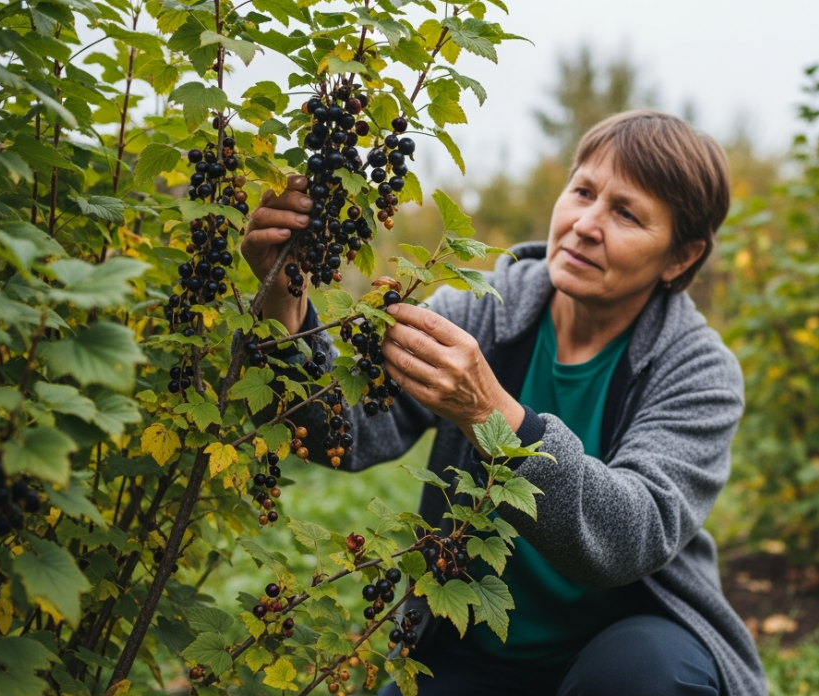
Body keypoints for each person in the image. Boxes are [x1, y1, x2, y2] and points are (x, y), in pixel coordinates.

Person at [241, 110, 766, 696]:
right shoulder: (482, 311)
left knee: (643, 675)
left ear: (680, 257)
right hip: (473, 646)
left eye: (626, 214)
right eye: (583, 192)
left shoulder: (697, 369)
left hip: (619, 648)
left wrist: (491, 413)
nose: (586, 225)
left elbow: (630, 538)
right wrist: (283, 303)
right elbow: (346, 433)